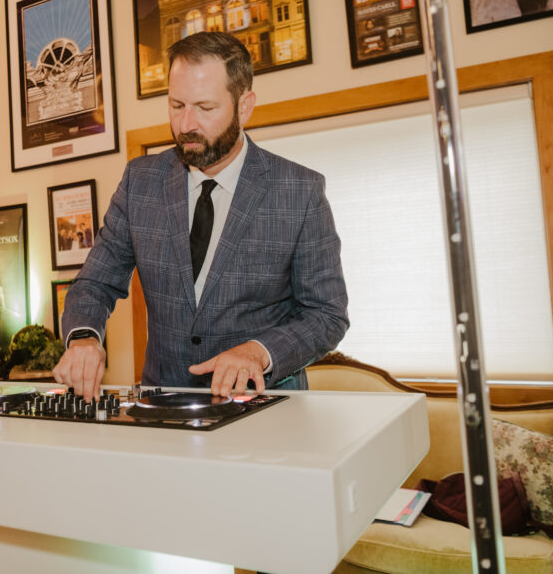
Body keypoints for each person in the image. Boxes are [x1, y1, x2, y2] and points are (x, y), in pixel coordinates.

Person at [55, 31, 349, 401]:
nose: (186, 125)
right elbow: (95, 283)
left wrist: (258, 352)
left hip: (265, 409)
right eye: (176, 105)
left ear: (244, 106)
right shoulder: (139, 182)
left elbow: (327, 315)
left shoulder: (300, 191)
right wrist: (84, 337)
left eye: (205, 108)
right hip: (165, 407)